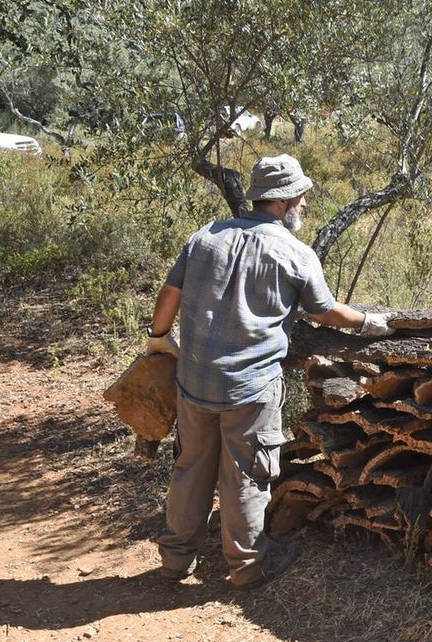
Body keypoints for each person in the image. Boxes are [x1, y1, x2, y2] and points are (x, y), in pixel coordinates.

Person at [145, 154, 393, 589]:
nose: (305, 205)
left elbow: (170, 292)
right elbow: (326, 312)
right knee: (245, 475)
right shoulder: (295, 252)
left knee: (190, 469)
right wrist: (371, 322)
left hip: (195, 381)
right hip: (250, 387)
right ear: (284, 202)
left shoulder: (206, 236)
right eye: (302, 197)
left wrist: (158, 337)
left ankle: (175, 560)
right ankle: (245, 569)